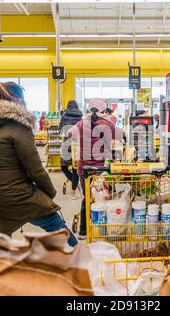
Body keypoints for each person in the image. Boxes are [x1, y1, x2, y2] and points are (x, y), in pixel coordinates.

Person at [0, 82, 78, 247]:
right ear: (17, 100)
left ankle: (3, 268)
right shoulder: (19, 127)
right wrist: (49, 191)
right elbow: (34, 168)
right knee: (53, 221)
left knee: (0, 242)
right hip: (19, 195)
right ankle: (79, 254)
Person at [68, 98, 124, 239]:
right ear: (103, 110)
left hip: (84, 169)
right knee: (104, 198)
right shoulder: (106, 123)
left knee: (87, 198)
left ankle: (83, 231)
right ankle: (103, 230)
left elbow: (68, 133)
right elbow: (121, 134)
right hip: (101, 171)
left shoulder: (81, 123)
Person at [59, 100, 83, 200]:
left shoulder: (64, 116)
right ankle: (74, 190)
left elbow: (60, 129)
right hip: (77, 144)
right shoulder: (81, 117)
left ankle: (75, 184)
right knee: (75, 168)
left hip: (66, 143)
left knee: (63, 167)